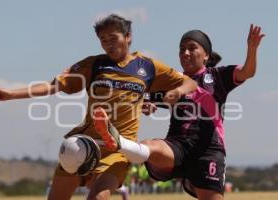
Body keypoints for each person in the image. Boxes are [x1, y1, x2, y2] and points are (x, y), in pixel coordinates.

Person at [0, 14, 197, 200]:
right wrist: (12, 94)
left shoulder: (148, 67)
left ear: (128, 36)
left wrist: (177, 92)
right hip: (82, 147)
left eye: (113, 38)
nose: (108, 44)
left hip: (118, 150)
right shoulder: (93, 65)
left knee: (98, 197)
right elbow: (53, 86)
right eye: (103, 40)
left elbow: (190, 82)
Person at [92, 24, 265, 200]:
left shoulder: (218, 76)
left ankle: (192, 179)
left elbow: (247, 72)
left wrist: (252, 48)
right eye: (182, 49)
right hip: (177, 147)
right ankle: (119, 141)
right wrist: (144, 104)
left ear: (206, 55)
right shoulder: (171, 82)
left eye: (192, 48)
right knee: (149, 146)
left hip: (208, 152)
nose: (186, 53)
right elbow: (140, 98)